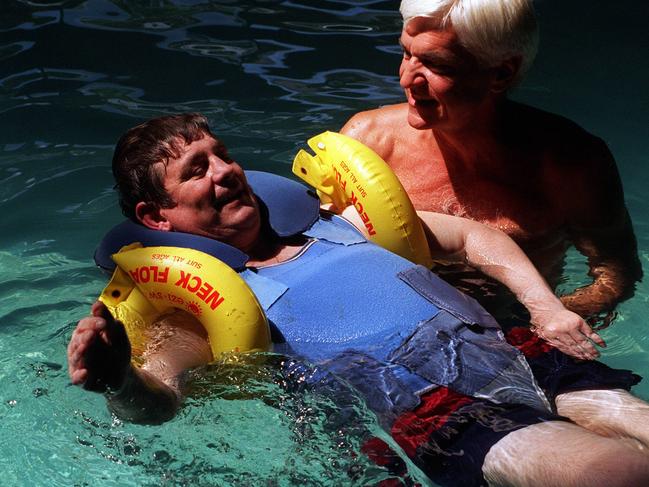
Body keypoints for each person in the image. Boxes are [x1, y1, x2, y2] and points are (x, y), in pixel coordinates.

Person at [68, 114, 649, 487]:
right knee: (623, 471)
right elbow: (159, 398)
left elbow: (474, 237)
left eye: (221, 153)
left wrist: (542, 305)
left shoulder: (337, 221)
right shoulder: (193, 307)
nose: (226, 171)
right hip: (427, 409)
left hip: (511, 350)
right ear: (155, 216)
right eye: (198, 170)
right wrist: (119, 378)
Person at [340, 0, 642, 343]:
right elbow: (314, 253)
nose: (407, 78)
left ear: (501, 73)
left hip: (514, 333)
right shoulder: (369, 141)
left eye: (436, 64)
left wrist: (548, 322)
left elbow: (615, 272)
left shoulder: (570, 165)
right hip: (390, 332)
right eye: (407, 53)